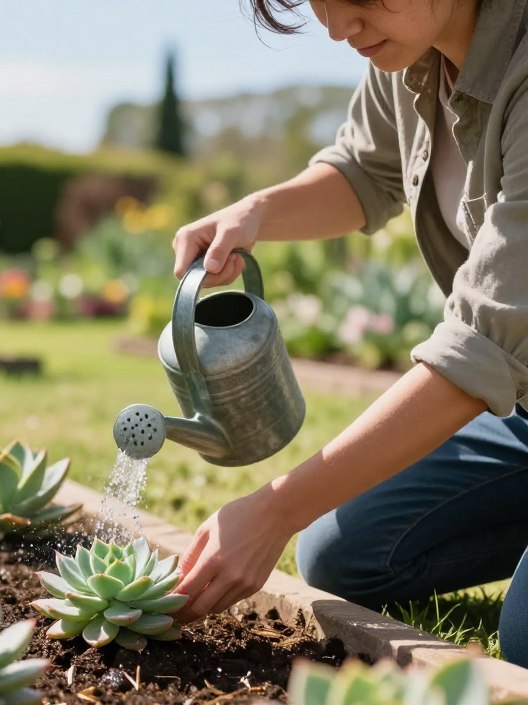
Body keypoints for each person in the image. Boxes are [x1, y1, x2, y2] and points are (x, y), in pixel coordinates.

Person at [169, 0, 528, 668]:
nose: (337, 26)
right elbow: (366, 172)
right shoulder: (414, 51)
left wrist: (275, 510)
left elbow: (483, 343)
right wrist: (255, 213)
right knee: (343, 554)